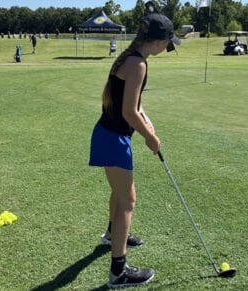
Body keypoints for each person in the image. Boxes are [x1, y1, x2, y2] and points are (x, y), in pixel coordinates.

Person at [89, 11, 180, 289]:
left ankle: (112, 233)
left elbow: (132, 104)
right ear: (158, 42)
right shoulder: (138, 64)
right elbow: (128, 111)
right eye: (167, 42)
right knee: (128, 201)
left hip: (108, 134)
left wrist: (146, 119)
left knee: (119, 193)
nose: (168, 47)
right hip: (113, 138)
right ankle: (118, 272)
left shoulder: (129, 56)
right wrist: (149, 137)